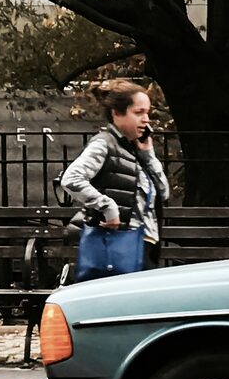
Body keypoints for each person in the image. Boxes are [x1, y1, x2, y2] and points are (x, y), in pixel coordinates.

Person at [60, 80, 170, 280]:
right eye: (138, 113)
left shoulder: (134, 150)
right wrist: (108, 208)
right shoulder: (105, 144)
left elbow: (164, 193)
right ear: (116, 113)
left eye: (147, 113)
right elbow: (71, 178)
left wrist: (148, 154)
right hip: (119, 245)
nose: (146, 119)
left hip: (144, 245)